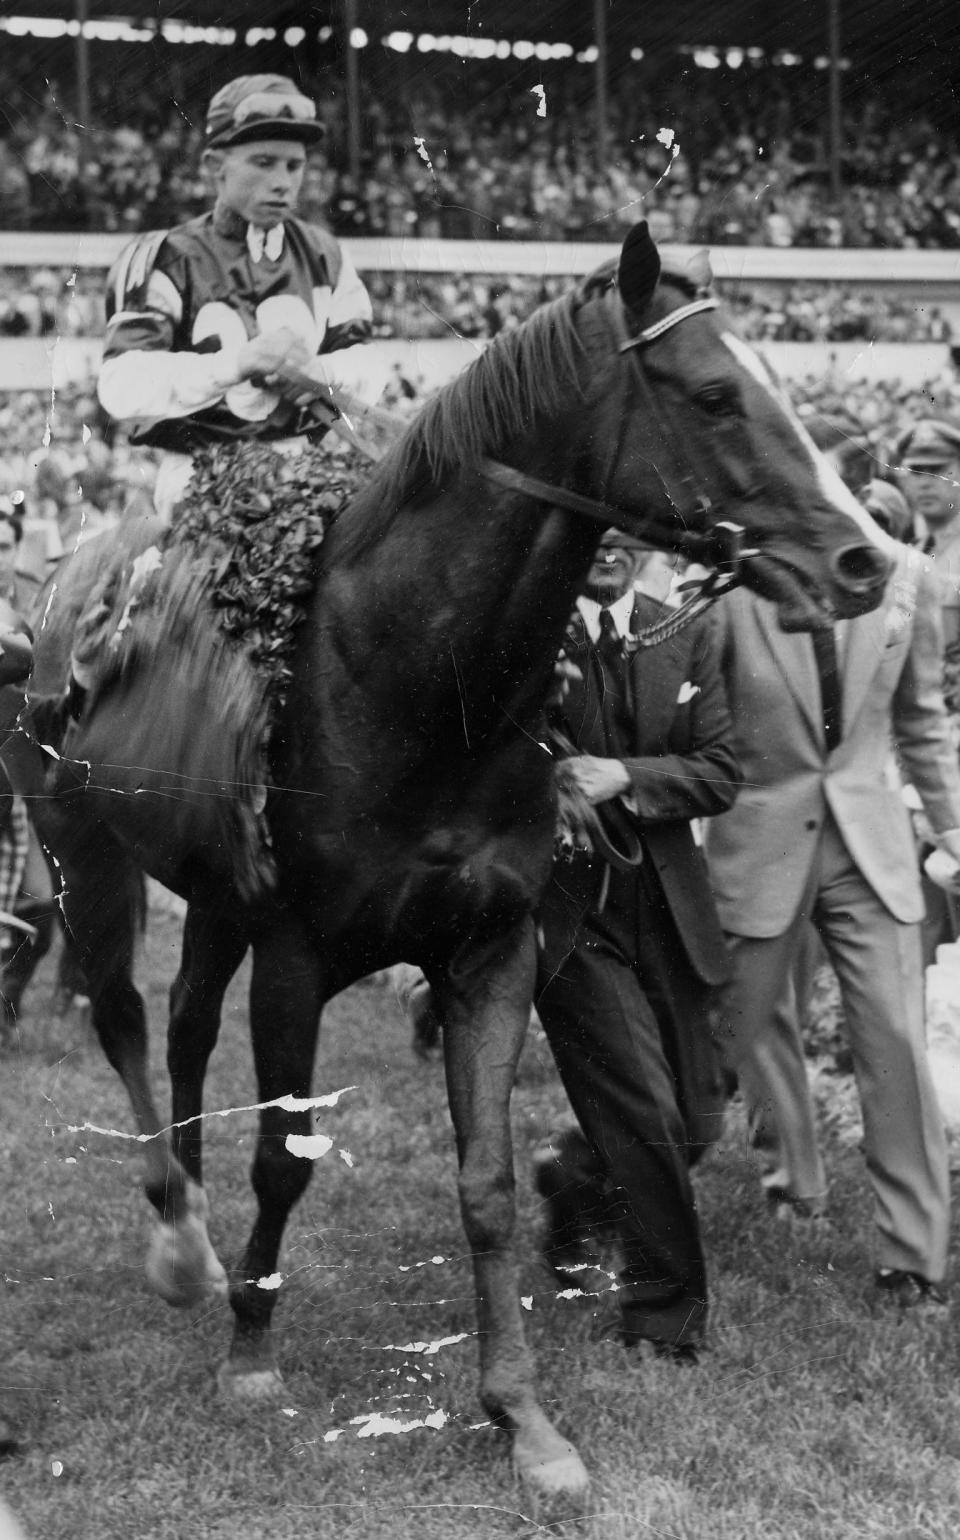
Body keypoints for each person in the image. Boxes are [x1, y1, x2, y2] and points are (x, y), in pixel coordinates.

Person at [705, 542, 960, 1309]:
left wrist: (952, 834)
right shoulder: (734, 580)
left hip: (871, 854)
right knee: (723, 1037)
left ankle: (912, 1260)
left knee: (895, 1039)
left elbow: (920, 725)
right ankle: (626, 1193)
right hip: (760, 844)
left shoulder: (909, 582)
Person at [532, 530, 741, 1363]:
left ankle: (578, 1181)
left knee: (697, 1113)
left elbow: (722, 770)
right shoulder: (530, 626)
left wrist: (627, 776)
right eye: (594, 527)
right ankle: (663, 1315)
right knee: (644, 1106)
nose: (609, 543)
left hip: (672, 899)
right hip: (574, 906)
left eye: (625, 529)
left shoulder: (684, 627)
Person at [97, 73, 389, 519]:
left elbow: (370, 363)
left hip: (309, 471)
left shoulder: (325, 253)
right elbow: (121, 386)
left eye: (294, 166)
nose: (282, 182)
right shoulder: (165, 256)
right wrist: (236, 364)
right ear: (215, 166)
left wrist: (318, 370)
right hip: (197, 482)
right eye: (264, 162)